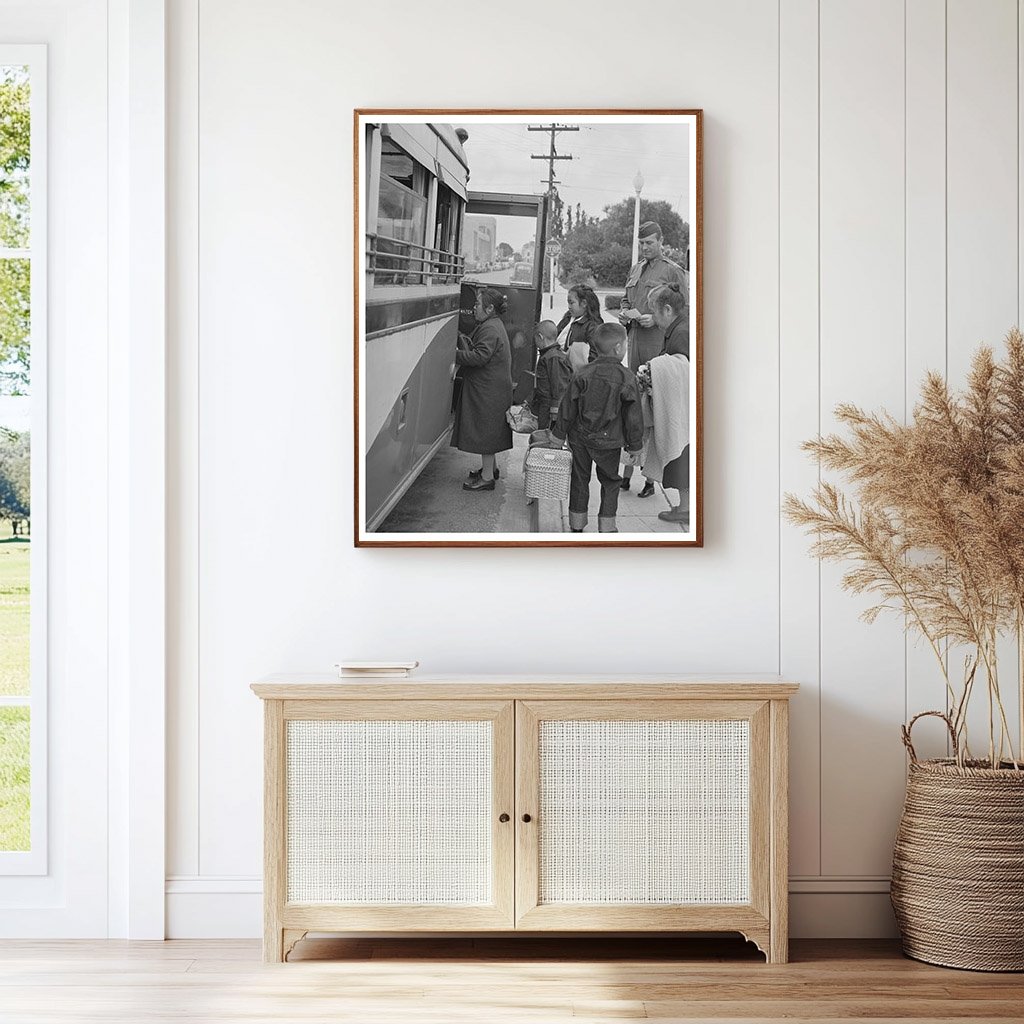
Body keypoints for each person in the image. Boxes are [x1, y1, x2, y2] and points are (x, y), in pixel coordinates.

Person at [546, 323, 644, 533]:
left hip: (580, 438)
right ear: (618, 348)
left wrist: (558, 435)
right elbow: (633, 416)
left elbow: (567, 408)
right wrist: (635, 445)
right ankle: (607, 526)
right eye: (625, 345)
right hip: (609, 442)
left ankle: (577, 523)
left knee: (579, 478)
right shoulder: (627, 377)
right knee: (610, 481)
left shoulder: (582, 373)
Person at [617, 221, 688, 498]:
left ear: (660, 241)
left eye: (649, 243)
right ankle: (626, 474)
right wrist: (625, 312)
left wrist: (653, 318)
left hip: (658, 347)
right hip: (635, 345)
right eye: (641, 243)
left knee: (654, 411)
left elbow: (684, 309)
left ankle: (650, 479)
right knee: (633, 408)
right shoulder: (636, 269)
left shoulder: (672, 270)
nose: (645, 248)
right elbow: (626, 298)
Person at [452, 287, 513, 491]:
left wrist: (454, 354)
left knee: (486, 433)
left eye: (477, 304)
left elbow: (480, 357)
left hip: (488, 390)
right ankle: (490, 469)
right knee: (490, 432)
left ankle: (487, 478)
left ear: (489, 308)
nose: (474, 307)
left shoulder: (489, 329)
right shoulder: (493, 324)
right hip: (492, 388)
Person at [642, 282, 690, 526]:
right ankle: (685, 505)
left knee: (683, 454)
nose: (653, 317)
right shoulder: (679, 328)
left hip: (683, 410)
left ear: (668, 310)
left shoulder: (681, 333)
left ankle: (687, 508)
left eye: (654, 311)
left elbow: (682, 372)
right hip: (685, 407)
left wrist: (653, 369)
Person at [533, 321, 572, 430]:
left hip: (549, 407)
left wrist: (555, 409)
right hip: (544, 404)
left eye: (535, 339)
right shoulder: (549, 355)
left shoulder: (553, 357)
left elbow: (559, 385)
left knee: (545, 435)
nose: (535, 343)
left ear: (540, 337)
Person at [556, 285, 604, 370]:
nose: (569, 306)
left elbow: (595, 355)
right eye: (568, 303)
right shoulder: (568, 318)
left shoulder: (592, 326)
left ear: (584, 303)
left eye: (571, 303)